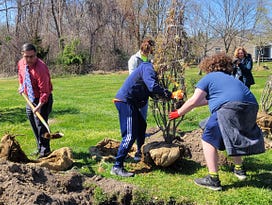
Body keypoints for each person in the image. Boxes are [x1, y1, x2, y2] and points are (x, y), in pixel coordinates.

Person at [169, 53, 265, 190]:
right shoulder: (231, 79)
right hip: (251, 107)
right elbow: (208, 100)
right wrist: (187, 106)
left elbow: (194, 100)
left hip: (229, 108)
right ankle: (239, 169)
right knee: (232, 134)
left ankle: (213, 179)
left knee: (207, 138)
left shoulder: (209, 78)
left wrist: (178, 113)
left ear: (209, 66)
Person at [111, 41, 172, 177]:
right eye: (163, 68)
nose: (163, 72)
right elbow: (152, 87)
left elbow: (150, 91)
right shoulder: (147, 67)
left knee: (141, 126)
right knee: (130, 134)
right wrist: (169, 93)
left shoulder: (150, 70)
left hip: (131, 102)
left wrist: (165, 97)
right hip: (125, 101)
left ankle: (139, 152)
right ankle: (117, 166)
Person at [18, 43, 54, 159]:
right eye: (26, 56)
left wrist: (39, 105)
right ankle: (39, 147)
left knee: (41, 125)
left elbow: (45, 91)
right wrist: (21, 86)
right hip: (29, 98)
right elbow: (21, 76)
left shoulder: (41, 68)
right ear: (22, 55)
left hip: (42, 99)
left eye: (32, 56)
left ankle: (45, 152)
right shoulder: (21, 63)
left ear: (36, 55)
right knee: (33, 123)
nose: (29, 59)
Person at [127, 38, 156, 162]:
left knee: (142, 121)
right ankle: (129, 146)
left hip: (144, 95)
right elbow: (133, 78)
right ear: (143, 49)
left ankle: (140, 149)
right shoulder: (134, 59)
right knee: (134, 122)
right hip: (135, 95)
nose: (148, 54)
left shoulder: (150, 60)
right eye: (148, 51)